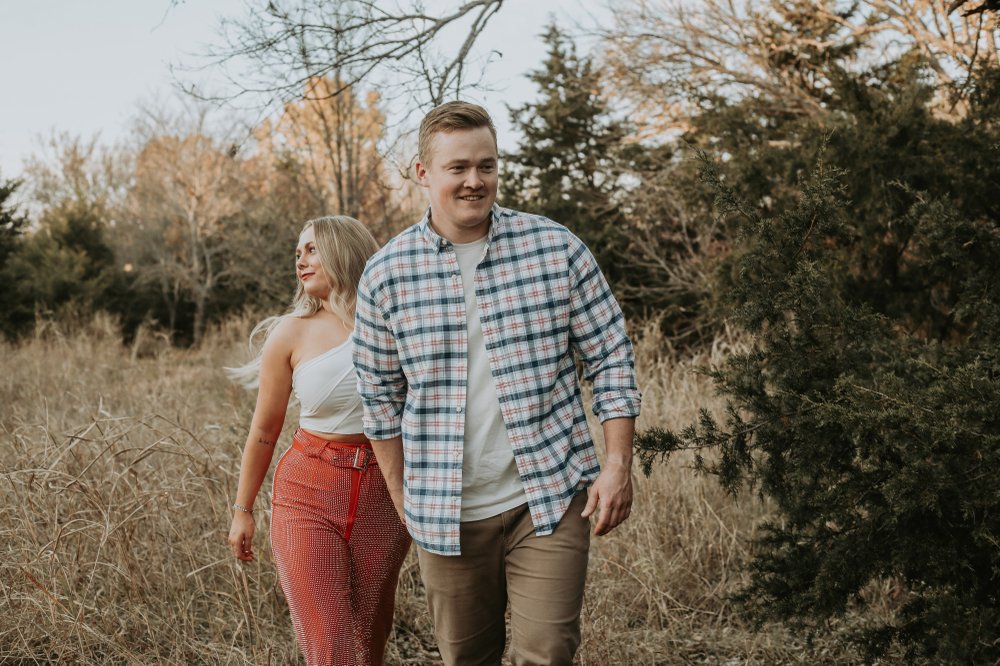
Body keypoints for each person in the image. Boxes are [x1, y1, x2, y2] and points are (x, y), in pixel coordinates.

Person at [353, 101, 641, 666]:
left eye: (486, 166)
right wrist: (402, 496)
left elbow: (610, 355)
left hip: (549, 495)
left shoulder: (555, 248)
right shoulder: (386, 275)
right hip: (446, 511)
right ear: (423, 172)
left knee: (547, 653)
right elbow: (380, 398)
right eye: (458, 167)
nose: (474, 180)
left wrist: (617, 464)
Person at [227, 215, 411, 666]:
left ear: (343, 251)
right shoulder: (290, 332)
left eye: (312, 249)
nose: (301, 261)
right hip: (307, 489)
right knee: (330, 644)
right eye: (298, 252)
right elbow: (264, 430)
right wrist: (242, 510)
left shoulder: (397, 321)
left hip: (385, 491)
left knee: (369, 637)